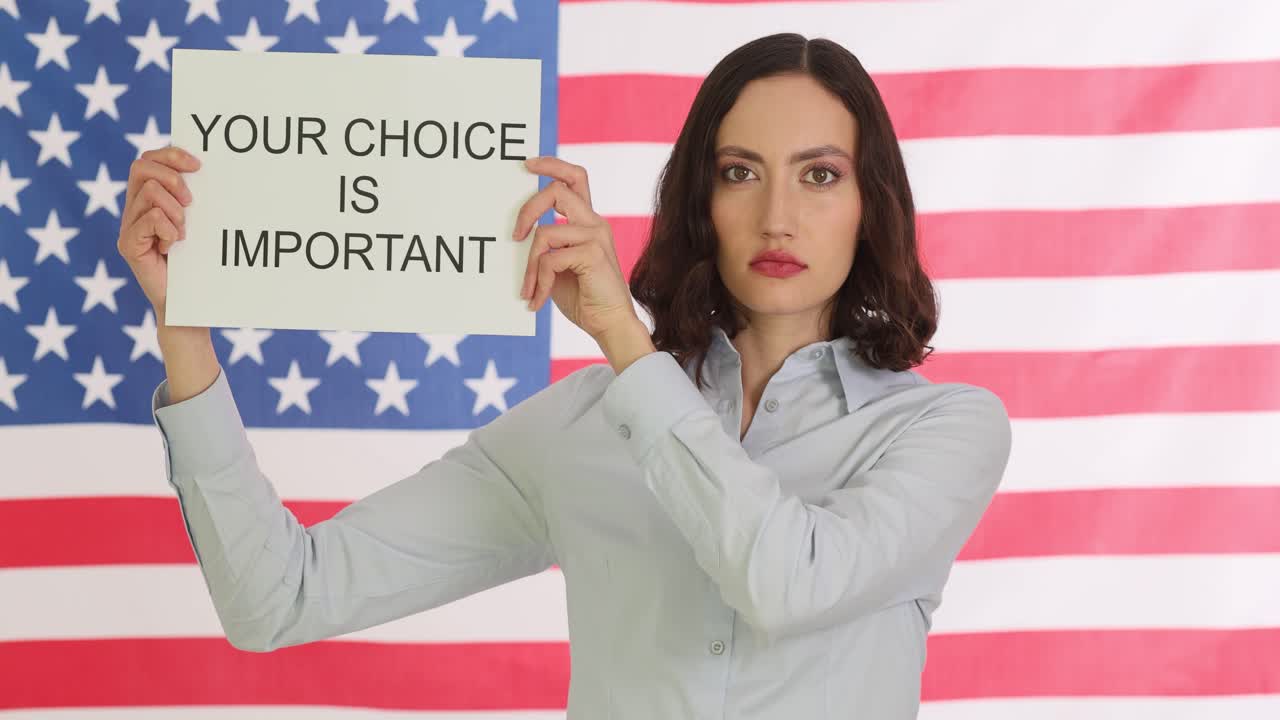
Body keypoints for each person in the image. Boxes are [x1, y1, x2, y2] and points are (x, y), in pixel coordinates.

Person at [117, 33, 1012, 719]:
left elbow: (788, 582)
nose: (777, 216)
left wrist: (624, 338)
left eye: (820, 175)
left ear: (870, 206)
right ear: (701, 201)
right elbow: (277, 597)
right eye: (739, 173)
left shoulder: (944, 431)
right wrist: (183, 319)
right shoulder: (581, 427)